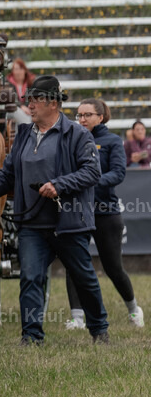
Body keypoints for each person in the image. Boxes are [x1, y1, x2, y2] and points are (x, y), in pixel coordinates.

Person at [0, 75, 109, 346]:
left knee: (84, 278)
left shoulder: (77, 134)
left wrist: (59, 185)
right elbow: (9, 173)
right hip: (32, 223)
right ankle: (32, 336)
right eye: (29, 101)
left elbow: (91, 172)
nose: (30, 106)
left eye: (34, 100)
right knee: (30, 277)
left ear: (52, 103)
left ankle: (99, 328)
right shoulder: (24, 134)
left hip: (69, 222)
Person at [65, 99, 143, 329]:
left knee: (113, 268)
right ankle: (77, 318)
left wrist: (89, 181)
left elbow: (118, 173)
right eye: (79, 115)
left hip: (106, 213)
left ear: (101, 117)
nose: (82, 120)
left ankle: (133, 309)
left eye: (87, 115)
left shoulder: (112, 141)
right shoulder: (72, 140)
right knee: (74, 263)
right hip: (77, 212)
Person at [7, 58, 37, 125]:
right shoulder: (8, 83)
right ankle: (28, 132)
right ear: (13, 72)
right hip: (12, 109)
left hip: (28, 111)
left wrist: (30, 108)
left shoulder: (30, 84)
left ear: (25, 70)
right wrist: (21, 107)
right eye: (16, 69)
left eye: (21, 69)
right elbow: (10, 99)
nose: (18, 72)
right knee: (18, 112)